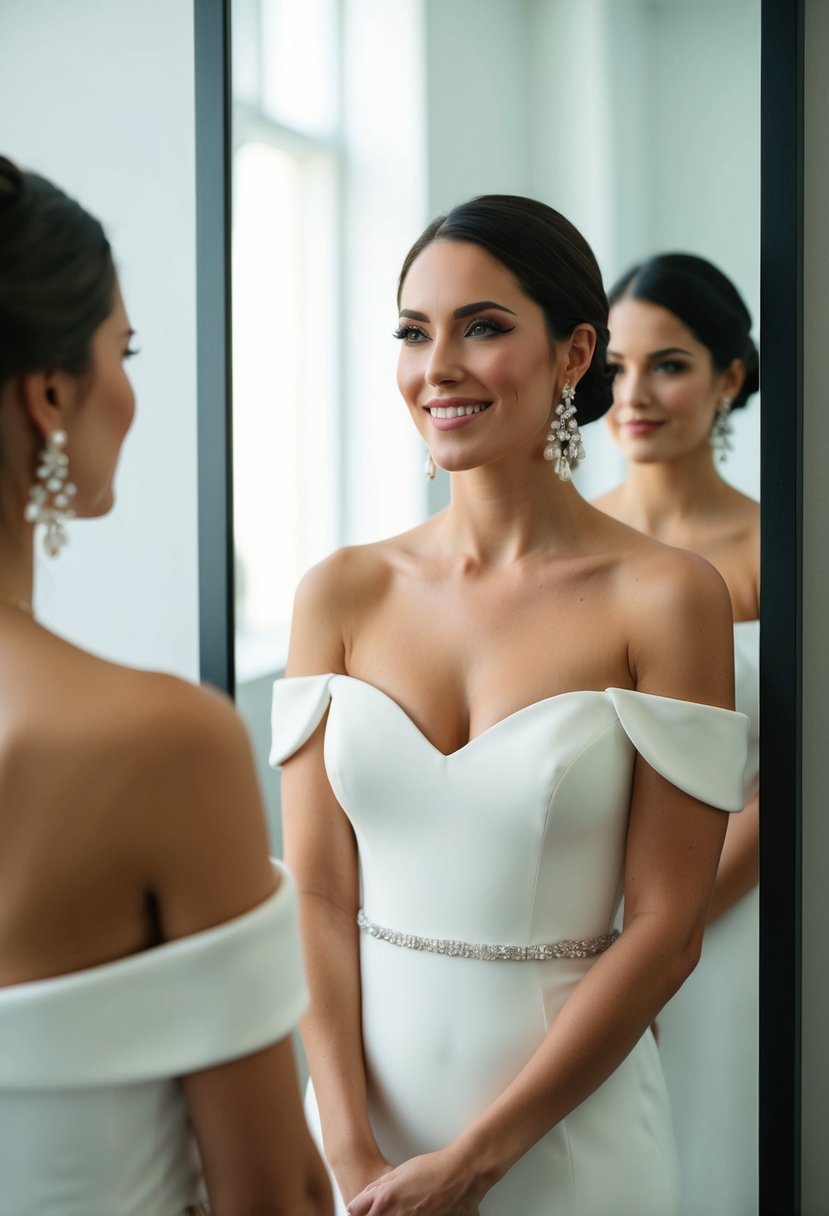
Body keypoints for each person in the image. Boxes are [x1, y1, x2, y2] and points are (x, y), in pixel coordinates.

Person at [270, 195, 749, 1216]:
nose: (435, 365)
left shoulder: (664, 598)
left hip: (572, 1149)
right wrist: (348, 1149)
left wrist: (474, 1163)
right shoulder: (338, 594)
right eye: (413, 331)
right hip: (358, 1141)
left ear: (574, 353)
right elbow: (313, 893)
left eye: (481, 327)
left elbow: (666, 927)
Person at [0, 155, 332, 1216]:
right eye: (123, 350)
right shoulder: (161, 743)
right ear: (50, 392)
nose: (131, 389)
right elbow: (272, 1197)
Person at [594, 251, 760, 1216]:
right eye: (613, 367)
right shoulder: (575, 541)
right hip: (583, 917)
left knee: (717, 1147)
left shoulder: (776, 550)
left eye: (669, 363)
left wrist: (660, 933)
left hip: (732, 915)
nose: (634, 394)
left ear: (728, 377)